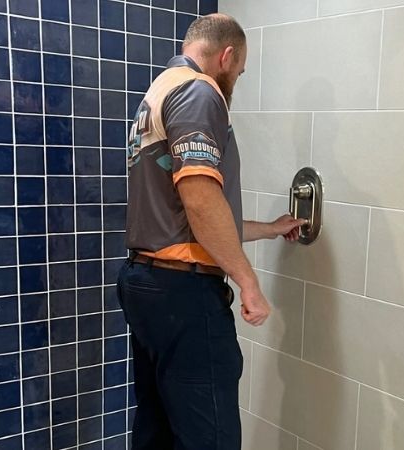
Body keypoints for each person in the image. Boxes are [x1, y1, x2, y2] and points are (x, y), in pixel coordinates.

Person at [117, 14, 305, 450]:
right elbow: (201, 200)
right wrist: (247, 282)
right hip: (182, 293)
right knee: (210, 437)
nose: (236, 80)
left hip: (148, 283)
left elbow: (186, 217)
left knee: (157, 429)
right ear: (227, 55)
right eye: (239, 71)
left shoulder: (159, 90)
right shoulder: (199, 92)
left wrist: (270, 229)